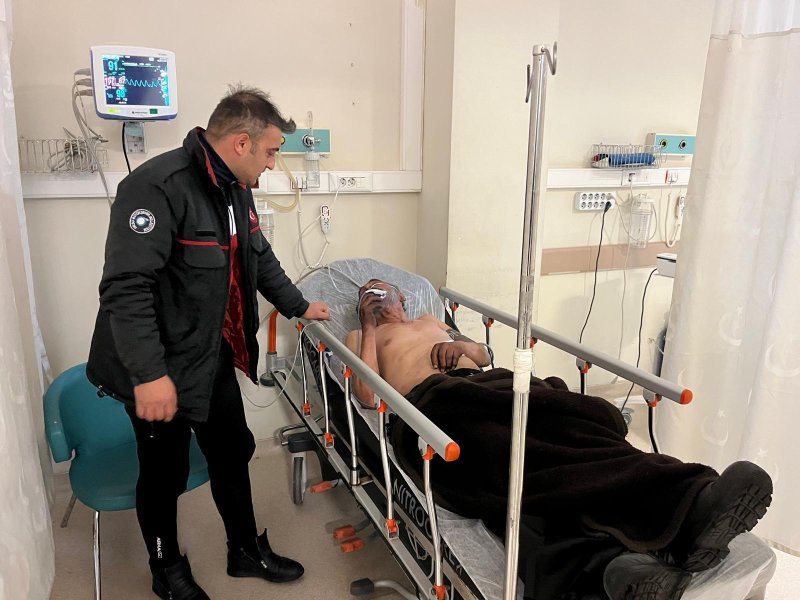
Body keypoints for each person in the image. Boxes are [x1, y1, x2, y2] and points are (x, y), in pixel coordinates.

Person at [345, 279, 773, 600]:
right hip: (433, 408)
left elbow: (484, 355)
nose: (380, 301)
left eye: (386, 294)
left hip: (493, 386)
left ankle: (687, 511)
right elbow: (366, 395)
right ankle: (647, 543)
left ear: (404, 299)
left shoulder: (432, 321)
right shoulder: (362, 337)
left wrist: (462, 349)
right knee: (511, 456)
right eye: (371, 296)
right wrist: (367, 326)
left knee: (578, 433)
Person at [87, 86, 330, 600]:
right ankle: (166, 568)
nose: (273, 163)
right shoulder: (156, 187)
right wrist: (150, 376)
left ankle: (244, 549)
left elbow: (258, 256)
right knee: (164, 472)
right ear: (242, 143)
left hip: (209, 352)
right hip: (159, 363)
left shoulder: (235, 189)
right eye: (270, 151)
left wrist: (299, 306)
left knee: (232, 450)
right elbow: (126, 289)